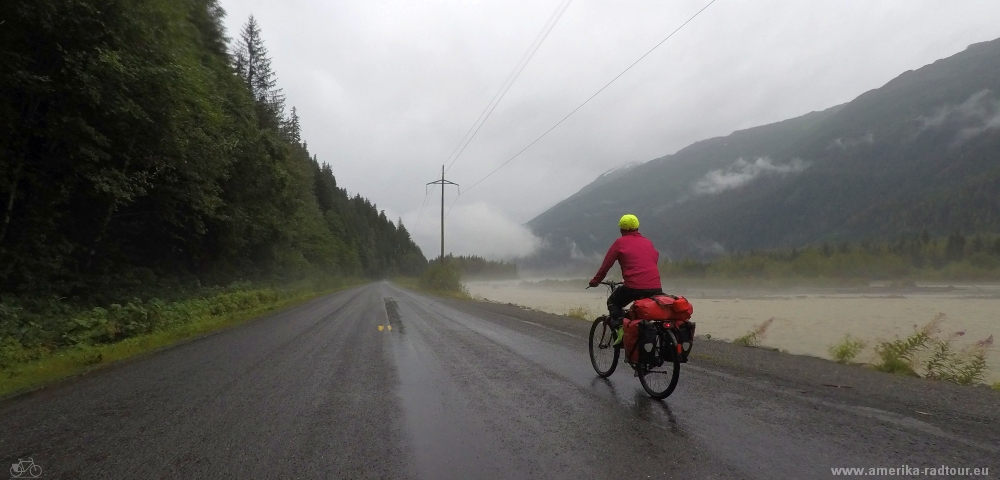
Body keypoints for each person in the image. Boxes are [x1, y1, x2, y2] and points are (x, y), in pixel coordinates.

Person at [588, 214, 663, 344]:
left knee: (613, 302)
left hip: (633, 287)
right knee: (650, 311)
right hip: (655, 287)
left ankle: (621, 330)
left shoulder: (620, 243)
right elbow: (653, 259)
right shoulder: (647, 242)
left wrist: (595, 281)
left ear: (621, 229)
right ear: (637, 227)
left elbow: (606, 265)